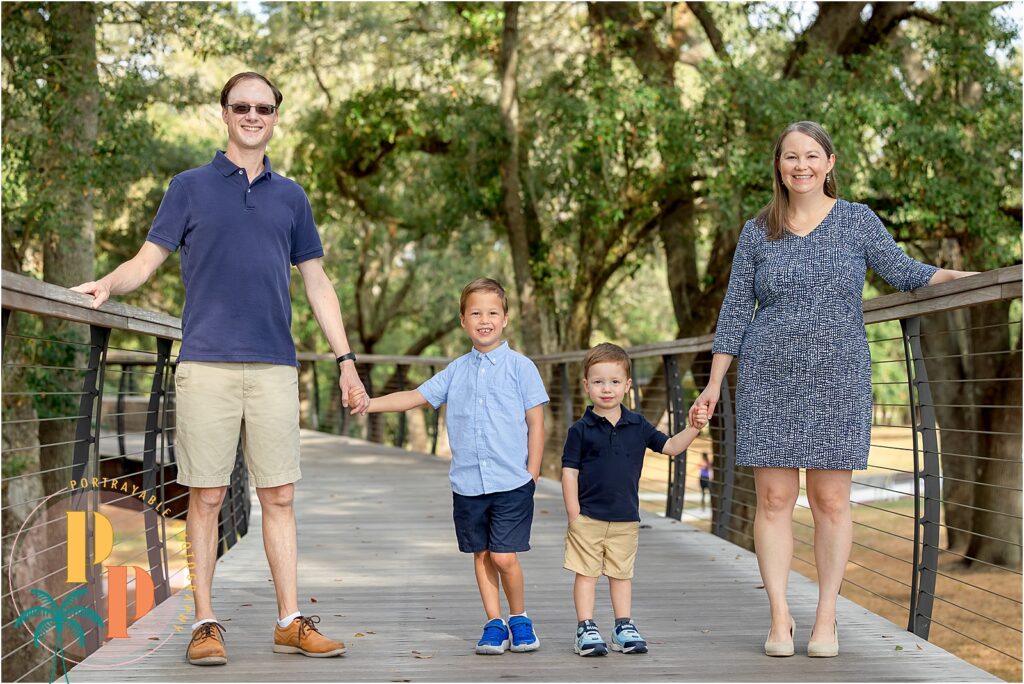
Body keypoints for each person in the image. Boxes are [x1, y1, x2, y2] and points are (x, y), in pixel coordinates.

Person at [72, 72, 369, 665]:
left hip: (273, 368)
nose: (253, 115)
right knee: (205, 497)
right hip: (205, 365)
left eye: (264, 107)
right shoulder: (188, 187)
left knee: (279, 496)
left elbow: (317, 281)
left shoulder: (292, 197)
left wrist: (345, 361)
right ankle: (205, 622)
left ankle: (289, 620)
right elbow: (146, 259)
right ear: (225, 114)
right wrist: (106, 284)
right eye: (242, 106)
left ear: (275, 117)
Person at [688, 121, 976, 658]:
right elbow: (733, 312)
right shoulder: (759, 231)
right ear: (779, 165)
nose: (801, 165)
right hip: (767, 376)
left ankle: (826, 620)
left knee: (830, 501)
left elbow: (904, 272)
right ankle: (780, 618)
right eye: (791, 157)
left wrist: (956, 278)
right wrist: (713, 383)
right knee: (774, 499)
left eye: (812, 155)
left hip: (838, 375)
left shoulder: (856, 222)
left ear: (830, 162)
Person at [355, 278, 548, 655]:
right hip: (468, 485)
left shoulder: (521, 368)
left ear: (506, 319)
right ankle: (494, 623)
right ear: (463, 321)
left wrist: (533, 472)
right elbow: (414, 396)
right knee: (481, 553)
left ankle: (520, 618)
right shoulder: (455, 371)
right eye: (475, 313)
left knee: (504, 556)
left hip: (512, 481)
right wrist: (369, 403)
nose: (484, 320)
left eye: (492, 313)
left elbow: (536, 421)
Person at [561, 343, 707, 657]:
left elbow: (670, 446)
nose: (606, 388)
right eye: (598, 381)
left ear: (627, 385)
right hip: (588, 516)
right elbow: (569, 473)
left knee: (621, 574)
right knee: (586, 574)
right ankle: (585, 627)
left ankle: (622, 625)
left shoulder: (637, 425)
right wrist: (574, 514)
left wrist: (693, 428)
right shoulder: (580, 430)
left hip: (626, 516)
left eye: (614, 381)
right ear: (586, 385)